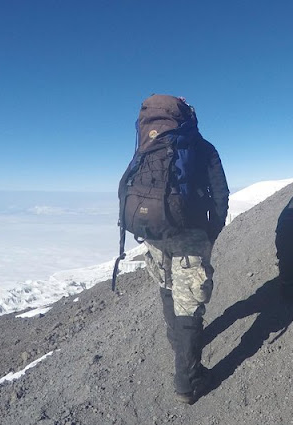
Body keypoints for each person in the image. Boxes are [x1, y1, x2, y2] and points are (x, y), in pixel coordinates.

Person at [119, 94, 229, 404]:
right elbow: (220, 194)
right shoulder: (202, 148)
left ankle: (179, 345)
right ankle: (188, 381)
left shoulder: (148, 143)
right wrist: (212, 232)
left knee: (168, 290)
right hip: (190, 236)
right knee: (190, 304)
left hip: (154, 233)